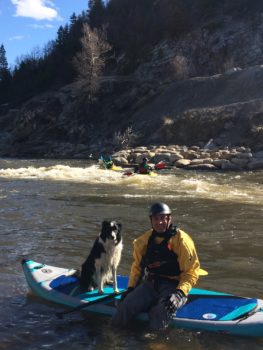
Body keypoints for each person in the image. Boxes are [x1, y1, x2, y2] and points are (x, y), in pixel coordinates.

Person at [111, 202, 200, 330]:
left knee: (161, 311)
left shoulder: (182, 241)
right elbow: (137, 267)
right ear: (151, 220)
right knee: (125, 306)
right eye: (156, 219)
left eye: (163, 218)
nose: (159, 223)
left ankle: (152, 341)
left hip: (174, 286)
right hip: (151, 284)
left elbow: (191, 272)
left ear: (169, 218)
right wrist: (131, 289)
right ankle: (113, 336)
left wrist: (179, 293)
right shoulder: (143, 241)